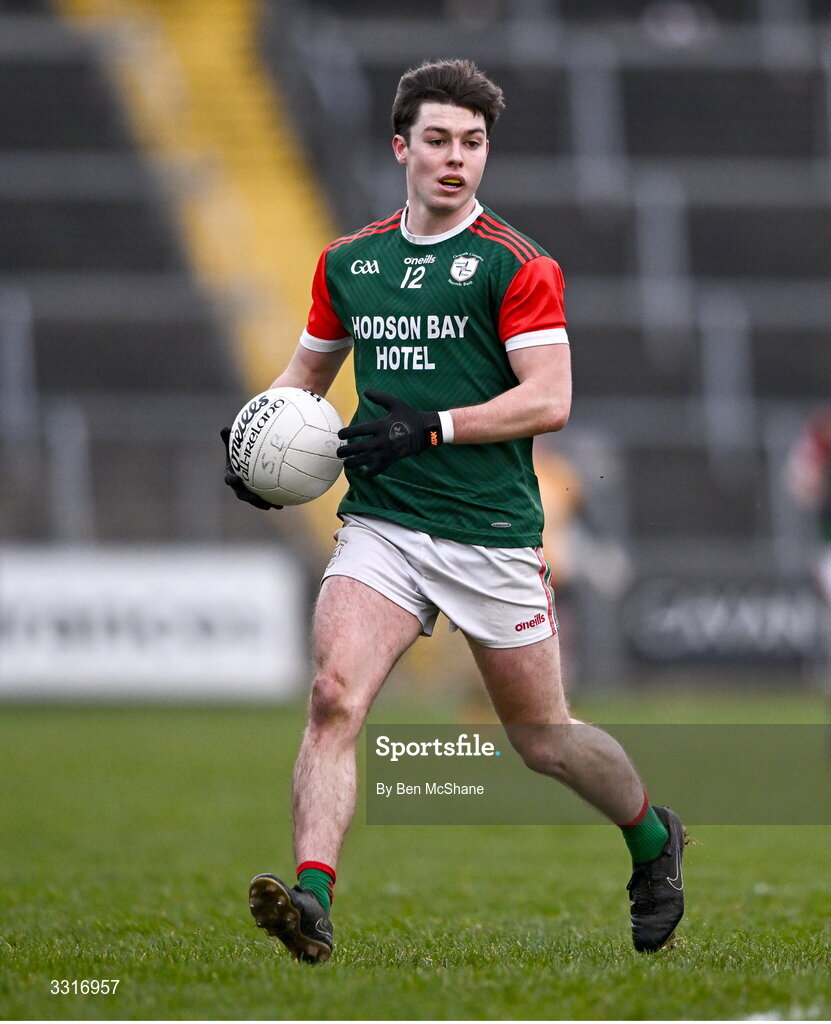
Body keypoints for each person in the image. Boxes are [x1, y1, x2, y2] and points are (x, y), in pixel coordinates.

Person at [221, 58, 687, 964]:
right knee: (331, 699)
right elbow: (302, 379)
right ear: (401, 146)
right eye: (437, 140)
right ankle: (311, 899)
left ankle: (649, 840)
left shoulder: (517, 264)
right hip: (383, 526)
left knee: (543, 742)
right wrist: (251, 445)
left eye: (472, 143)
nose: (455, 159)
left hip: (491, 533)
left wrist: (428, 428)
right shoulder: (349, 263)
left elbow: (548, 399)